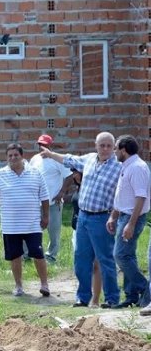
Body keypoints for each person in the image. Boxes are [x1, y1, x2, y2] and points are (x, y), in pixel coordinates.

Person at [39, 131, 121, 308]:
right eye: (102, 145)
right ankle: (82, 297)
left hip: (102, 218)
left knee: (105, 259)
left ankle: (112, 299)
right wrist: (50, 154)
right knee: (81, 259)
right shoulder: (90, 159)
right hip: (83, 217)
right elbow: (69, 159)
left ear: (114, 147)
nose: (105, 149)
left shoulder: (119, 167)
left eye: (109, 146)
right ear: (96, 146)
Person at [0, 143, 51, 297]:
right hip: (10, 225)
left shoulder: (35, 173)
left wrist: (46, 216)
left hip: (32, 223)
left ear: (22, 156)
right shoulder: (0, 174)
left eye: (15, 155)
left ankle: (44, 284)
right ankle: (18, 286)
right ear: (7, 158)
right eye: (10, 156)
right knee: (15, 256)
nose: (13, 158)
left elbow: (44, 197)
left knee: (38, 254)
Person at [106, 135, 150, 309]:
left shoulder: (138, 168)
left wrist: (130, 224)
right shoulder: (127, 166)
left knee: (121, 255)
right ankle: (131, 296)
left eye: (116, 148)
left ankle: (146, 289)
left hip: (133, 217)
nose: (114, 151)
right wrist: (113, 216)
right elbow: (124, 195)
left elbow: (140, 197)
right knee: (128, 256)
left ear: (123, 150)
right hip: (124, 216)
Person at [29, 134, 73, 263]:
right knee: (32, 229)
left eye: (45, 145)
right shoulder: (34, 159)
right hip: (36, 202)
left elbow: (69, 176)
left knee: (53, 230)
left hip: (54, 202)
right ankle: (30, 255)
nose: (42, 147)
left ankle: (51, 256)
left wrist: (62, 192)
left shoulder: (57, 160)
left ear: (50, 146)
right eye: (40, 145)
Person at [70, 168, 102, 308]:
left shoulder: (94, 186)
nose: (74, 174)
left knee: (96, 264)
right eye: (73, 172)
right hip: (78, 231)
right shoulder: (78, 188)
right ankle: (82, 298)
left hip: (94, 229)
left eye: (77, 171)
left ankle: (95, 300)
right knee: (81, 265)